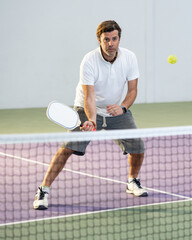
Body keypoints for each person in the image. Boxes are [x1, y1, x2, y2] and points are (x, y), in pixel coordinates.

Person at [33, 20, 147, 210]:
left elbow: (133, 90)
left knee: (138, 147)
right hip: (87, 109)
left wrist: (124, 108)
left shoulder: (130, 58)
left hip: (116, 110)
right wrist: (91, 120)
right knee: (67, 148)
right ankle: (43, 189)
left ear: (119, 38)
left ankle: (132, 181)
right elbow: (89, 96)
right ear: (99, 40)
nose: (111, 43)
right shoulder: (89, 60)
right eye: (106, 39)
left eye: (114, 39)